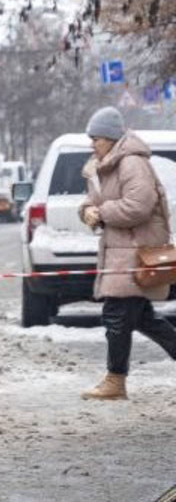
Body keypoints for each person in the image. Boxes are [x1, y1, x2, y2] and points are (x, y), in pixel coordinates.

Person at [77, 106, 176, 400]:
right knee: (143, 319)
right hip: (120, 253)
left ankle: (115, 381)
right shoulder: (104, 165)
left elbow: (139, 205)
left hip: (134, 253)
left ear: (110, 137)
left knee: (117, 317)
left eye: (96, 138)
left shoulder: (132, 163)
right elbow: (91, 200)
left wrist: (103, 213)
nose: (92, 143)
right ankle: (115, 380)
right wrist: (87, 212)